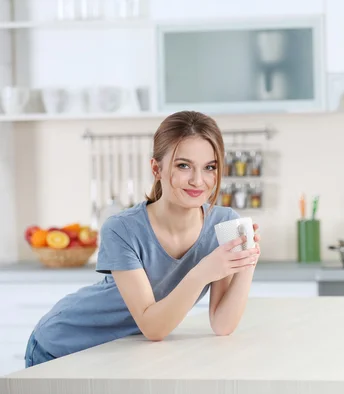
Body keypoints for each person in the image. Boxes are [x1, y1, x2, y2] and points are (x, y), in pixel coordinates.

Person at [24, 110, 261, 368]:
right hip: (62, 346)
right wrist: (204, 271)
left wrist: (247, 260)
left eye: (209, 167)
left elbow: (222, 324)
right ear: (156, 168)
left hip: (122, 353)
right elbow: (153, 328)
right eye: (184, 165)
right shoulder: (121, 229)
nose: (198, 180)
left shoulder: (223, 223)